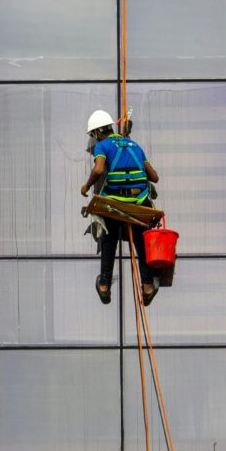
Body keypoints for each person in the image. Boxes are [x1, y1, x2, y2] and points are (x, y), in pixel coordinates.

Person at [80, 110, 160, 306]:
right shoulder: (135, 146)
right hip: (139, 203)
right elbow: (155, 177)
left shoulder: (102, 145)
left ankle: (104, 286)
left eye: (93, 135)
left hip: (115, 203)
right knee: (141, 242)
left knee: (109, 240)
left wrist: (87, 186)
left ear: (98, 133)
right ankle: (148, 286)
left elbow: (98, 169)